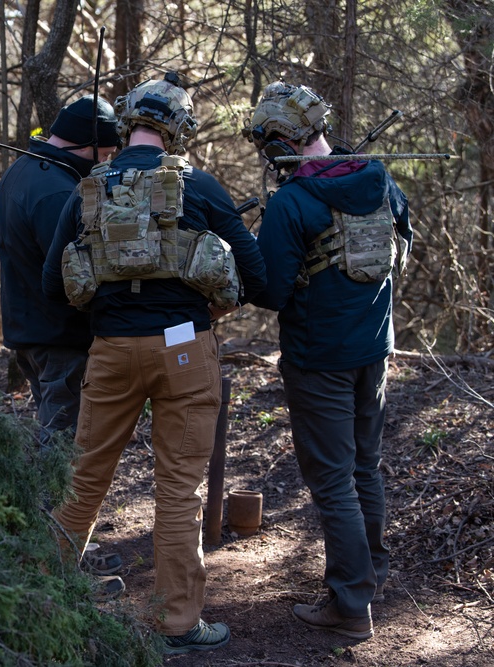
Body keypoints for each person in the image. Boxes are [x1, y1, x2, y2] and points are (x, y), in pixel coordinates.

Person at [42, 73, 266, 653]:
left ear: (128, 123)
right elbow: (258, 275)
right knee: (178, 490)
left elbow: (52, 282)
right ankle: (179, 624)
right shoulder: (202, 187)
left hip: (112, 349)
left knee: (84, 476)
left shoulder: (88, 190)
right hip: (186, 348)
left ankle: (44, 599)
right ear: (179, 128)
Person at [241, 81, 412, 640]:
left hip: (319, 360)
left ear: (277, 144)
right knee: (365, 466)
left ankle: (349, 605)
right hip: (375, 349)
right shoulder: (379, 178)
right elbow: (402, 249)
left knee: (335, 480)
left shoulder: (292, 202)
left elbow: (271, 291)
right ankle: (371, 576)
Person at [0, 95, 123, 577]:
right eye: (106, 153)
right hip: (60, 338)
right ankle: (52, 563)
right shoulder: (55, 191)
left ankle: (48, 550)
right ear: (89, 145)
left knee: (55, 438)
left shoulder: (23, 171)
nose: (109, 160)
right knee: (65, 450)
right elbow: (73, 274)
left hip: (30, 332)